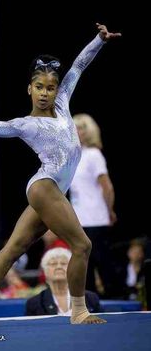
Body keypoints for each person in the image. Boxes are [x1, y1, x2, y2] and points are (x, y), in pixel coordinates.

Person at [0, 23, 121, 326]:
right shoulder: (25, 124)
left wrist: (98, 40)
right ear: (29, 89)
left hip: (51, 191)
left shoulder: (63, 105)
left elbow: (78, 66)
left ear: (56, 90)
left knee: (12, 249)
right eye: (39, 88)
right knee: (83, 245)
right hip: (44, 187)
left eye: (50, 88)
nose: (45, 93)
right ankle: (78, 310)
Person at [69, 113, 117, 297]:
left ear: (89, 132)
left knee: (103, 261)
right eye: (75, 128)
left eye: (81, 128)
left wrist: (109, 210)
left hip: (96, 218)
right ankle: (89, 299)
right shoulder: (75, 156)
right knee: (84, 264)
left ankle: (115, 299)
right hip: (79, 220)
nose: (78, 132)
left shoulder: (94, 155)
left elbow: (107, 187)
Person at [26, 248, 101, 315]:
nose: (59, 267)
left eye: (64, 263)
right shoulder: (35, 303)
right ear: (45, 271)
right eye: (53, 264)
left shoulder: (90, 298)